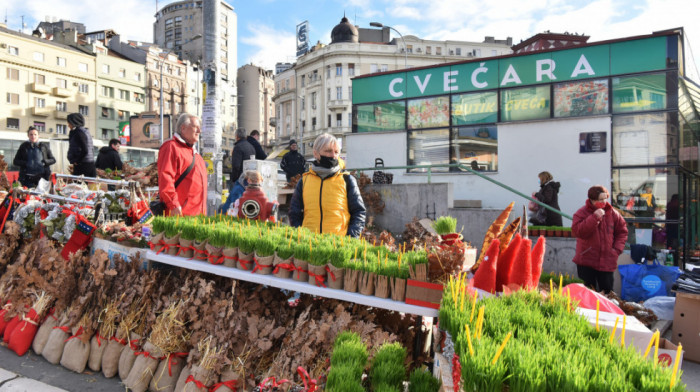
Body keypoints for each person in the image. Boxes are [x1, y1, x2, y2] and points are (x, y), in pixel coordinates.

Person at [288, 133, 366, 237]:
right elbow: (294, 213)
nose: (333, 155)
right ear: (316, 153)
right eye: (328, 151)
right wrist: (302, 236)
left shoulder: (347, 180)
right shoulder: (304, 181)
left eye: (336, 152)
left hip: (338, 246)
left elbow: (359, 212)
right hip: (310, 244)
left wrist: (350, 238)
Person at [572, 185, 629, 293]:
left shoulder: (613, 213)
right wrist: (594, 217)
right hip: (586, 260)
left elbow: (622, 232)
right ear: (592, 200)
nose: (604, 202)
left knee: (608, 294)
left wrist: (616, 250)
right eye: (600, 199)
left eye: (605, 198)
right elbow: (579, 232)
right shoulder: (581, 213)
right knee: (587, 293)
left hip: (607, 260)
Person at [157, 113, 208, 216]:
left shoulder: (196, 154)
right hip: (180, 214)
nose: (199, 131)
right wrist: (173, 205)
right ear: (183, 128)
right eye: (196, 127)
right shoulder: (171, 147)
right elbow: (165, 179)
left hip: (197, 215)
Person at [67, 113, 96, 177]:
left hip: (83, 165)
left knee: (78, 185)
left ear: (74, 122)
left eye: (69, 123)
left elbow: (85, 150)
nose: (68, 125)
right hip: (89, 163)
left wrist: (76, 161)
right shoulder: (85, 131)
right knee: (89, 186)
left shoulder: (79, 133)